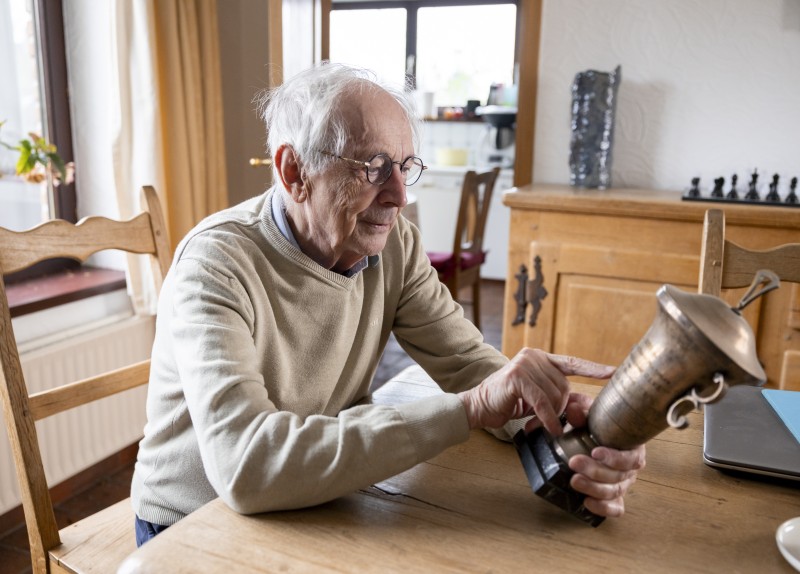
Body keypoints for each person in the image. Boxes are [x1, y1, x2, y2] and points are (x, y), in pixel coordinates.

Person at [131, 62, 646, 546]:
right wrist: (467, 411)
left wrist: (552, 425)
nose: (399, 195)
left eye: (404, 166)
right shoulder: (216, 264)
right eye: (374, 167)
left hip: (314, 499)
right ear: (294, 172)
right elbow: (246, 466)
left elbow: (467, 363)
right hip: (194, 524)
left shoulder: (393, 242)